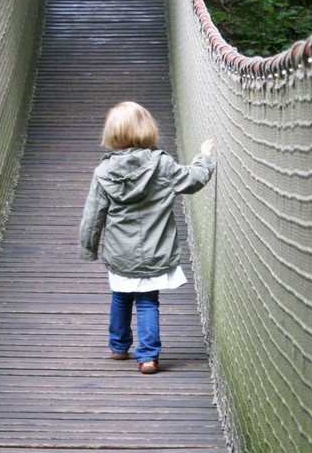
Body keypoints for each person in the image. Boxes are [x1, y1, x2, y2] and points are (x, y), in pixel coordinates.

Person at [79, 101, 216, 374]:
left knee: (120, 296)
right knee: (147, 301)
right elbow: (194, 180)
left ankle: (118, 347)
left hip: (120, 253)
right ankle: (148, 357)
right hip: (155, 251)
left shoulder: (103, 172)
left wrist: (89, 248)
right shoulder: (162, 165)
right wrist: (205, 157)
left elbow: (93, 215)